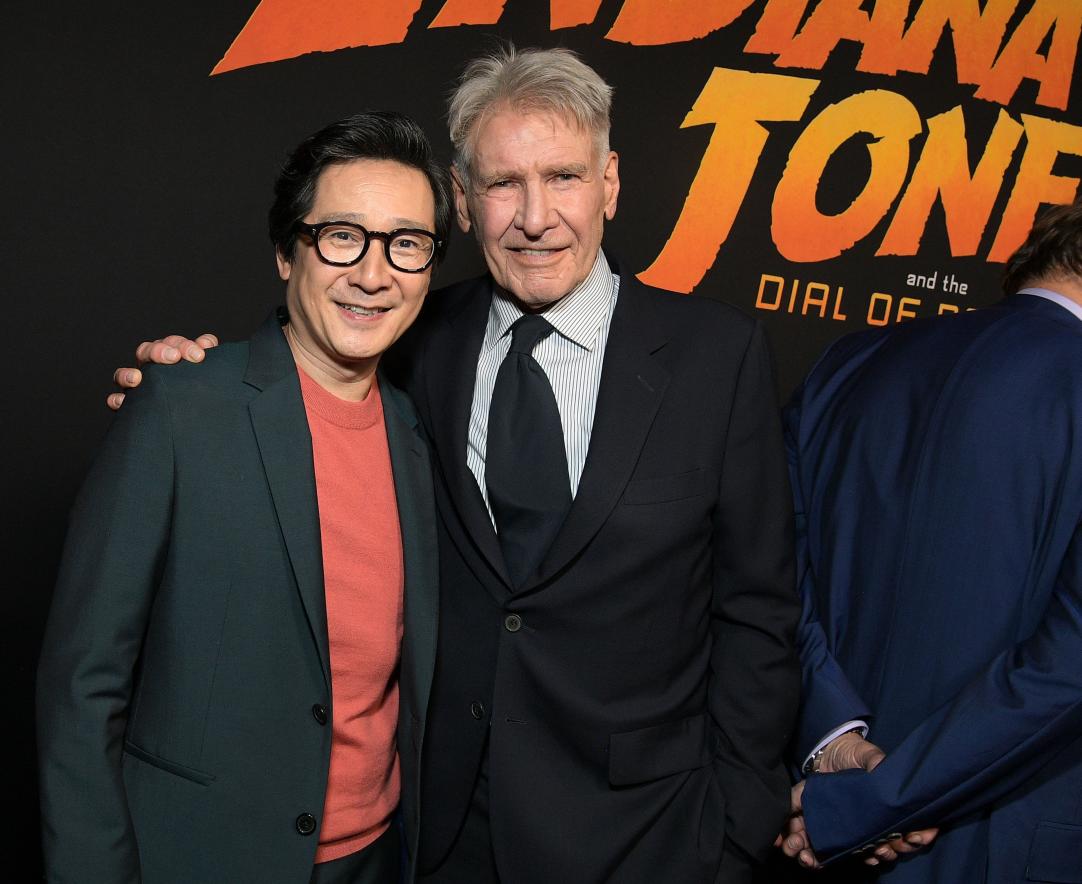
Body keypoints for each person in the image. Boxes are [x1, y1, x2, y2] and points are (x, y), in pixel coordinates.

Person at [113, 47, 800, 882]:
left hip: (648, 838)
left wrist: (734, 836)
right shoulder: (413, 337)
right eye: (504, 184)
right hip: (441, 834)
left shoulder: (717, 357)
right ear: (463, 201)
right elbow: (307, 362)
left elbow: (758, 611)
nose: (535, 217)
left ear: (610, 183)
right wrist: (197, 380)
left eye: (564, 177)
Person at [37, 111, 451, 884]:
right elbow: (82, 683)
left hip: (380, 857)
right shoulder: (184, 405)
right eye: (341, 236)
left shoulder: (421, 436)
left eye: (406, 244)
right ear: (286, 253)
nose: (373, 273)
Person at [778, 199, 1082, 882]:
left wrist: (837, 746)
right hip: (1003, 848)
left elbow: (769, 574)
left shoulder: (850, 362)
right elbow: (1070, 663)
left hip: (809, 820)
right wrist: (881, 799)